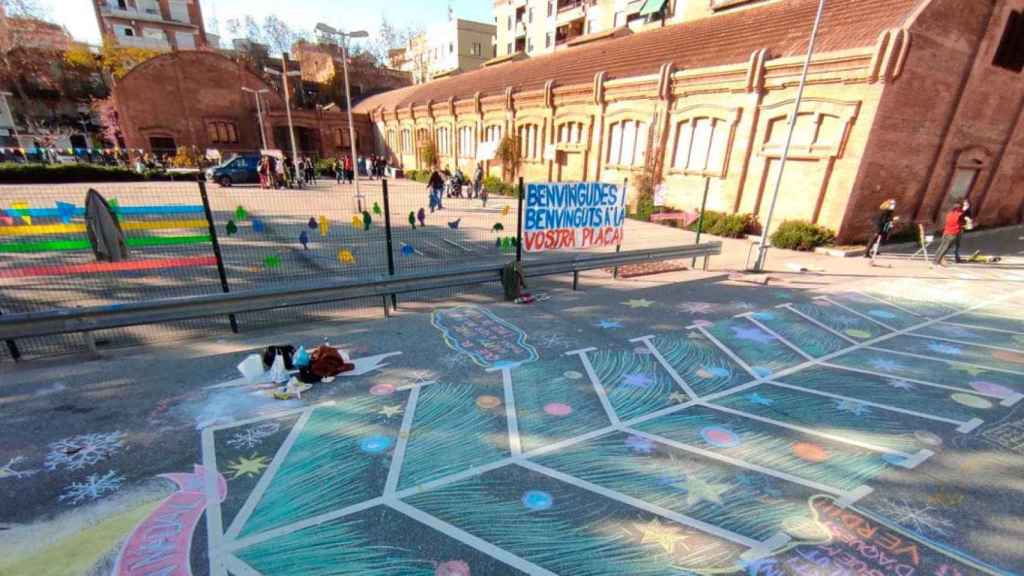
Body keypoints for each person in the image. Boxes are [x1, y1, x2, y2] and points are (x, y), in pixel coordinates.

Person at [933, 202, 967, 267]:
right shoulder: (959, 215)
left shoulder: (950, 214)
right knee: (945, 248)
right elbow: (962, 223)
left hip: (946, 232)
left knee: (941, 247)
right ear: (959, 209)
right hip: (953, 234)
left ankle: (935, 260)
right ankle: (937, 262)